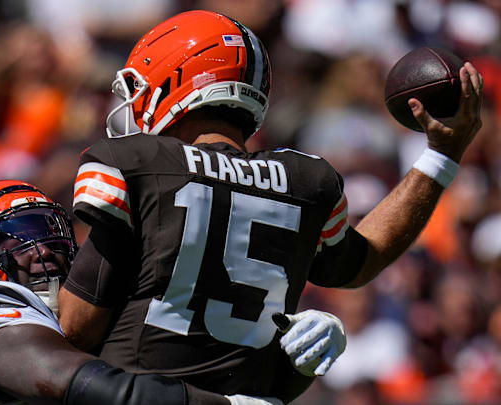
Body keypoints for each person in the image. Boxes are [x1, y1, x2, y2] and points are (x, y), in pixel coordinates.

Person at [57, 9, 483, 403]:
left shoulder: (136, 163)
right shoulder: (307, 181)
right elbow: (362, 260)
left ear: (177, 82)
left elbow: (77, 328)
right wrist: (441, 155)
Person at [0, 179, 328, 405]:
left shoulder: (77, 333)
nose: (43, 251)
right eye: (16, 240)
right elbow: (89, 385)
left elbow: (189, 389)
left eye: (51, 235)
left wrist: (294, 362)